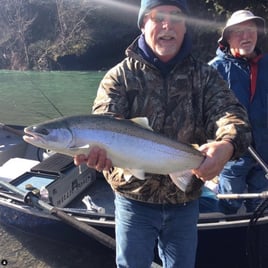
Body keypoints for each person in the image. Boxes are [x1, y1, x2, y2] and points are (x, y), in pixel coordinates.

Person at [74, 1, 251, 267]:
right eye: (158, 17)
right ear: (143, 24)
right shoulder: (119, 77)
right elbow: (104, 123)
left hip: (185, 201)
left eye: (176, 17)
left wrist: (226, 145)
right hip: (133, 202)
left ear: (185, 27)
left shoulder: (205, 76)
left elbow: (231, 114)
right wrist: (98, 154)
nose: (167, 25)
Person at [209, 10, 268, 214]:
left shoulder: (266, 65)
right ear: (228, 38)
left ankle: (257, 241)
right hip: (233, 155)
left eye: (250, 30)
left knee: (261, 208)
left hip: (264, 154)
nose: (246, 36)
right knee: (228, 203)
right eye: (239, 31)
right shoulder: (214, 70)